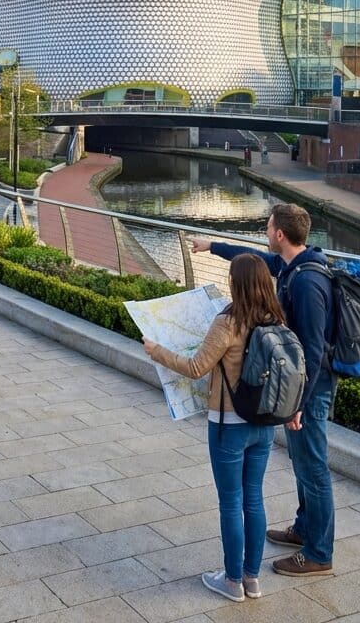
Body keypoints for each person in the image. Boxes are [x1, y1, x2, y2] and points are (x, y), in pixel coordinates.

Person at [191, 203, 336, 577]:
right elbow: (252, 259)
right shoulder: (291, 266)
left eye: (268, 227)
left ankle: (319, 553)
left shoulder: (306, 282)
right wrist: (212, 246)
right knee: (302, 463)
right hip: (296, 386)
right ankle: (304, 529)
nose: (265, 233)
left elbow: (316, 350)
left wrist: (299, 405)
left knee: (314, 468)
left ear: (280, 235)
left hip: (309, 390)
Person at [143, 254, 286, 603]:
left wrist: (157, 351)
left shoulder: (229, 322)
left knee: (230, 502)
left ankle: (232, 580)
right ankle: (252, 579)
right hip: (264, 425)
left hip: (229, 426)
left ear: (237, 283)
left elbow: (195, 367)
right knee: (254, 498)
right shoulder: (276, 319)